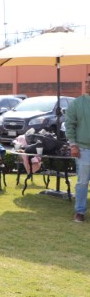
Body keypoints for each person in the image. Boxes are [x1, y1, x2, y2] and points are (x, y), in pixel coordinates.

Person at [66, 73, 90, 223]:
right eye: (86, 82)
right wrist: (73, 144)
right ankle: (80, 212)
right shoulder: (76, 104)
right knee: (82, 182)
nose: (88, 84)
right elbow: (70, 125)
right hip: (83, 149)